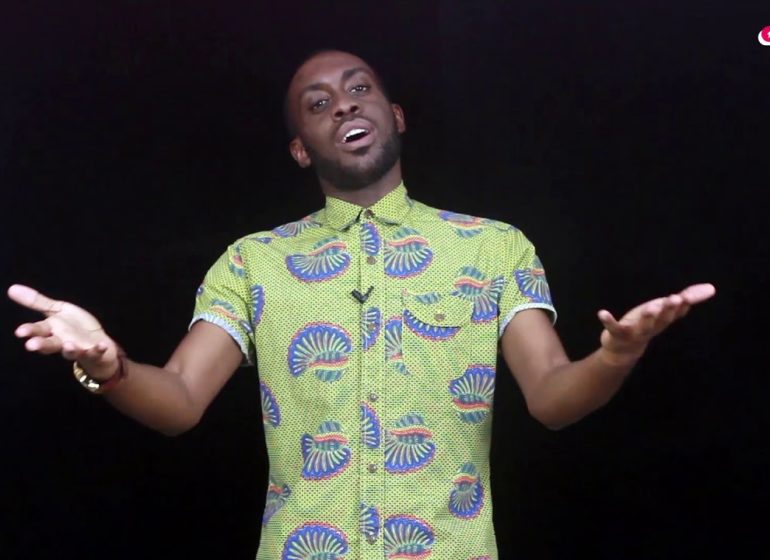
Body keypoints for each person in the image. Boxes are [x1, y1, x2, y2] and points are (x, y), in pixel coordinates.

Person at [8, 50, 715, 559]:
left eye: (359, 89)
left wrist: (615, 357)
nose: (343, 104)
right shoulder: (253, 262)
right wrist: (108, 366)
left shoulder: (495, 247)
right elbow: (182, 400)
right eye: (318, 104)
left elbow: (553, 398)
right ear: (299, 150)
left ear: (394, 115)